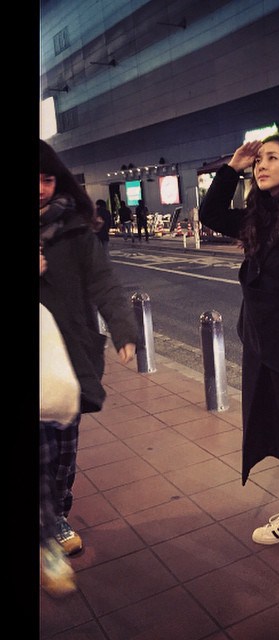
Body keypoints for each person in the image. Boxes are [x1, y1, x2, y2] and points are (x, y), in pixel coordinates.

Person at [199, 135, 279, 544]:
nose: (262, 166)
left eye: (273, 158)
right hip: (262, 343)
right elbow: (211, 213)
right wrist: (232, 167)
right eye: (259, 161)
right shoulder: (259, 215)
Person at [39, 139, 137, 581]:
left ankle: (58, 514)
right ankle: (46, 531)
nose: (41, 189)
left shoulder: (76, 230)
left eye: (47, 179)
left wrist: (124, 330)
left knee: (64, 451)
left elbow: (103, 282)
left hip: (70, 358)